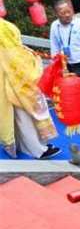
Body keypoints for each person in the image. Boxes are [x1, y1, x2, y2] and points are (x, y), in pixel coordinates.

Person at [0, 18, 60, 159]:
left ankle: (21, 145)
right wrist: (30, 58)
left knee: (12, 115)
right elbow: (11, 54)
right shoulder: (3, 27)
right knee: (23, 114)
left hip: (5, 73)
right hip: (9, 75)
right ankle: (36, 149)